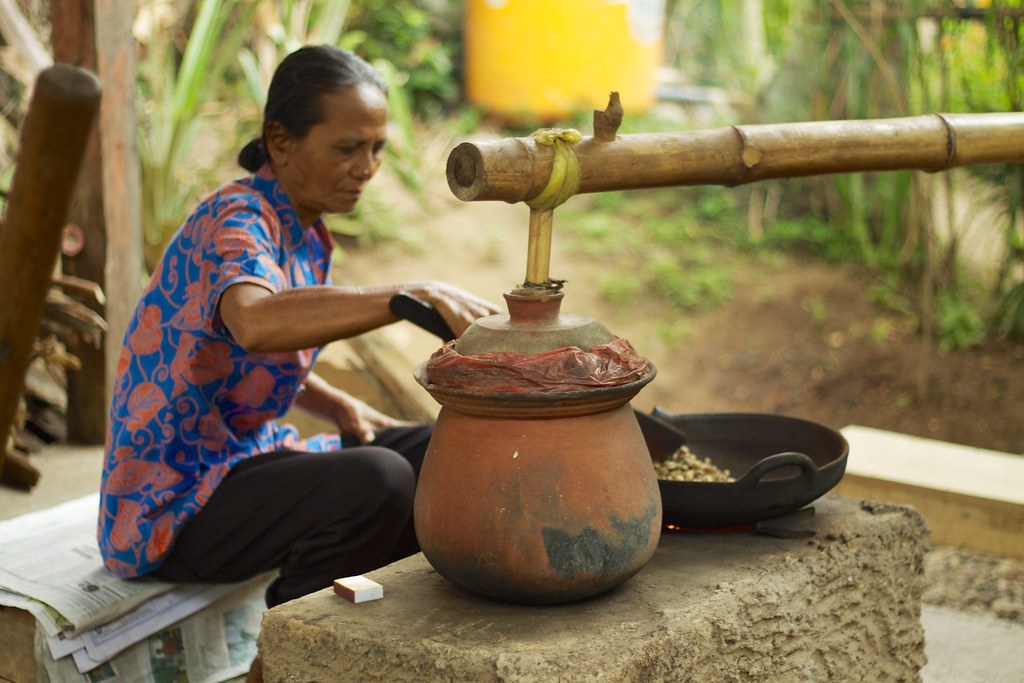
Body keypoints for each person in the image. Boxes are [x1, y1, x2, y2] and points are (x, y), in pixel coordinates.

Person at [97, 45, 498, 614]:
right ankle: (288, 652)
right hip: (172, 506)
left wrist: (334, 403)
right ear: (281, 142)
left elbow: (229, 353)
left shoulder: (305, 234)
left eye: (378, 148)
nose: (367, 167)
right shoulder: (235, 220)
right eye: (347, 149)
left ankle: (379, 625)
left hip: (244, 460)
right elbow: (255, 323)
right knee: (377, 479)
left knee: (439, 449)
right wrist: (409, 295)